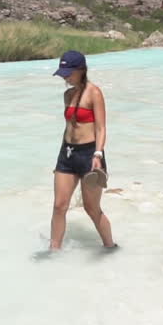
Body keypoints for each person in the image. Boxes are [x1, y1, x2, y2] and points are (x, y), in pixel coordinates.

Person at [50, 50, 117, 250]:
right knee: (59, 206)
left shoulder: (94, 92)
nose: (65, 76)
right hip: (67, 154)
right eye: (63, 72)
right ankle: (53, 251)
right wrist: (62, 156)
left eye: (69, 72)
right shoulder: (68, 95)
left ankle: (110, 247)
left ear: (81, 70)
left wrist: (98, 154)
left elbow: (101, 128)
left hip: (90, 155)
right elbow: (70, 127)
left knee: (92, 208)